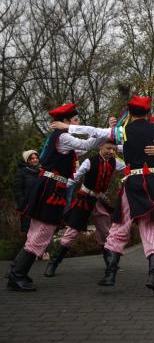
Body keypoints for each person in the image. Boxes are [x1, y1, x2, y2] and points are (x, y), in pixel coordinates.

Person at [51, 95, 154, 297]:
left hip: (133, 183)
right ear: (148, 113)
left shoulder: (123, 131)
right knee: (153, 228)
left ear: (131, 113)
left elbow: (95, 132)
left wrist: (68, 128)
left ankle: (110, 275)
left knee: (119, 227)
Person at [7, 103, 105, 291]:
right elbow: (84, 144)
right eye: (75, 121)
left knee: (38, 231)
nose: (77, 124)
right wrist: (106, 134)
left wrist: (101, 137)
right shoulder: (64, 136)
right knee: (44, 230)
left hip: (48, 185)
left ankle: (16, 272)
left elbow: (82, 149)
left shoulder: (60, 138)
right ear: (65, 121)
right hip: (51, 187)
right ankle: (17, 274)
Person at [43, 140, 125, 277]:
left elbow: (130, 168)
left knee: (105, 232)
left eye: (113, 149)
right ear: (100, 146)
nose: (111, 152)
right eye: (108, 148)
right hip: (85, 199)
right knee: (72, 231)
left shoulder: (114, 162)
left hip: (99, 200)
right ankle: (53, 263)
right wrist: (57, 189)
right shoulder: (89, 161)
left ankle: (110, 264)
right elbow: (74, 178)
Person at [14, 150, 40, 234]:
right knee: (28, 232)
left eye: (36, 158)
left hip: (39, 207)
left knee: (38, 233)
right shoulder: (21, 172)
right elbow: (18, 191)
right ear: (27, 160)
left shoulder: (41, 172)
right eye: (32, 158)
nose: (35, 160)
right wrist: (22, 205)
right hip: (27, 207)